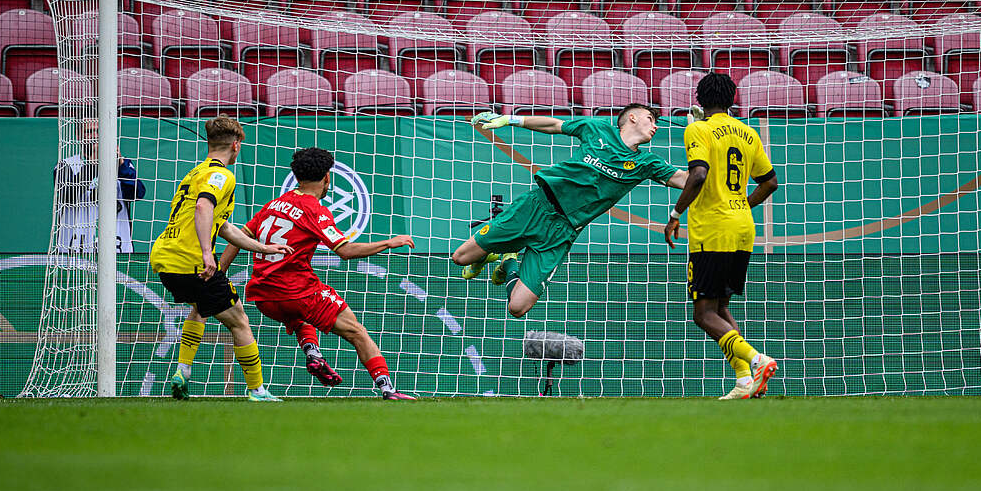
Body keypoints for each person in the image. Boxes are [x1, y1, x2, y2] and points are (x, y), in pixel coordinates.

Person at [451, 104, 688, 318]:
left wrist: (698, 137)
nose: (655, 126)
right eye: (651, 119)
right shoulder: (597, 129)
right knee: (460, 258)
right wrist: (511, 119)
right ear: (632, 118)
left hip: (562, 232)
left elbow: (687, 180)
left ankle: (508, 262)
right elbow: (555, 124)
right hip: (536, 207)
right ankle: (490, 252)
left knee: (517, 308)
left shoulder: (647, 163)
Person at [219, 147, 418, 400]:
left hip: (263, 298)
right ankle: (389, 389)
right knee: (357, 332)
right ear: (326, 177)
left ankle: (312, 351)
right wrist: (389, 242)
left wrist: (221, 271)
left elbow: (238, 237)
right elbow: (345, 251)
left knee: (297, 316)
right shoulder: (314, 210)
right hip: (297, 292)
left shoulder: (272, 205)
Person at [149, 115, 293, 402]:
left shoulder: (195, 173)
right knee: (239, 320)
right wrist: (206, 253)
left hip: (166, 259)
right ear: (236, 146)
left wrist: (263, 248)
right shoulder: (222, 175)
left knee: (200, 308)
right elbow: (203, 207)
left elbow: (223, 226)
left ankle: (183, 371)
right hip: (191, 260)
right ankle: (256, 389)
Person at [662, 73, 780, 400]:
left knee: (703, 313)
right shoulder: (748, 131)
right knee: (720, 306)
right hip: (743, 226)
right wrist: (741, 204)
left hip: (712, 228)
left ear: (699, 99)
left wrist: (675, 215)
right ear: (732, 99)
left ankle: (758, 360)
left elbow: (698, 173)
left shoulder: (696, 128)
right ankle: (745, 380)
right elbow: (769, 182)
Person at [54, 118, 147, 253]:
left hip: (117, 249)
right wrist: (93, 165)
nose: (96, 136)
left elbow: (137, 193)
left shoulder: (122, 164)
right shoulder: (65, 165)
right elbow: (68, 196)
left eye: (99, 131)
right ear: (78, 136)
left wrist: (121, 166)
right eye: (89, 131)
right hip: (74, 249)